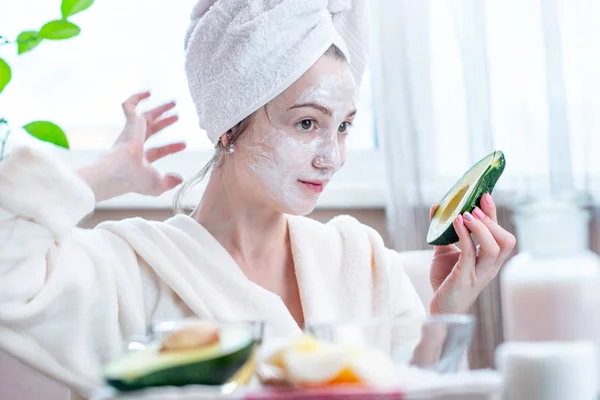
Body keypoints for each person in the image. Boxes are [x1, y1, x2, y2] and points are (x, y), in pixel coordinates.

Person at [0, 0, 516, 398]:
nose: (330, 157)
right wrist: (102, 176)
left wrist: (447, 309)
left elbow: (411, 390)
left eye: (344, 127)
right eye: (307, 123)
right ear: (231, 125)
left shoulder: (362, 257)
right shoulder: (129, 269)